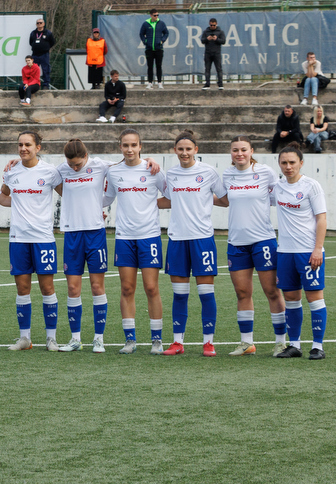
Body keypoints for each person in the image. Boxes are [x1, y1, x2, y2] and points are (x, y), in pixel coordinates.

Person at [215, 137, 287, 356]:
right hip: (236, 243)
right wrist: (196, 197)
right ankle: (247, 343)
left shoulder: (265, 172)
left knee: (272, 291)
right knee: (242, 292)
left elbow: (279, 197)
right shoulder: (227, 174)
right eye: (235, 150)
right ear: (231, 153)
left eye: (243, 150)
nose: (239, 154)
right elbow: (225, 200)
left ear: (251, 151)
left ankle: (281, 342)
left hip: (263, 240)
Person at [155, 133, 222, 356]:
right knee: (180, 294)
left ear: (196, 149)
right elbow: (168, 200)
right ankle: (177, 343)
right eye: (180, 149)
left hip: (202, 238)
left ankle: (208, 343)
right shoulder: (170, 174)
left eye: (188, 149)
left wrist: (202, 200)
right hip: (177, 239)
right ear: (175, 150)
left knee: (205, 293)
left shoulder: (208, 172)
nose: (184, 153)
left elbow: (224, 198)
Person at [0, 132, 63, 351]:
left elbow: (68, 196)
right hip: (18, 238)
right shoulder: (10, 172)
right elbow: (4, 198)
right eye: (20, 144)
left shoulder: (51, 172)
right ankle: (24, 338)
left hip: (43, 238)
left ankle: (51, 338)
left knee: (47, 288)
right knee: (22, 288)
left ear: (38, 147)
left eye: (28, 144)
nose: (23, 148)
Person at [105, 130, 167, 354]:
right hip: (124, 237)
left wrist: (150, 207)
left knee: (151, 288)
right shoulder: (113, 172)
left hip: (149, 235)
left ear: (141, 146)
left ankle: (157, 340)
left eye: (133, 145)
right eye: (125, 145)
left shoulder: (153, 170)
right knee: (127, 288)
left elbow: (170, 196)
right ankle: (130, 340)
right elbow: (107, 198)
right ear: (120, 147)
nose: (129, 149)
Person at [51, 138, 113, 353]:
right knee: (73, 288)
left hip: (95, 232)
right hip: (72, 233)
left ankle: (99, 338)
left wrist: (150, 160)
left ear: (86, 156)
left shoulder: (100, 165)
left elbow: (128, 164)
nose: (75, 168)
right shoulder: (62, 170)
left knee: (97, 287)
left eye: (78, 164)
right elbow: (39, 174)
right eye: (71, 165)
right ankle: (75, 339)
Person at [271, 145, 328, 359]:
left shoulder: (311, 186)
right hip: (285, 252)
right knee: (292, 299)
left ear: (301, 163)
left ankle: (317, 346)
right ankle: (294, 345)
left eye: (292, 162)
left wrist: (317, 249)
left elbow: (321, 218)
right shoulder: (277, 187)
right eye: (284, 163)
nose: (288, 166)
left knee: (315, 298)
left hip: (308, 252)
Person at [139, 8, 168, 86]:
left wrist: (162, 41)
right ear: (151, 15)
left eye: (157, 15)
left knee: (159, 66)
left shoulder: (161, 23)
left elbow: (166, 33)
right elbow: (141, 34)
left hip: (159, 49)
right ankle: (150, 82)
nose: (156, 17)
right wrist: (145, 41)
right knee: (150, 66)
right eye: (155, 15)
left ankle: (159, 82)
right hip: (149, 49)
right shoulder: (146, 24)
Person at [29, 18, 56, 89]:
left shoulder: (48, 33)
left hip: (44, 54)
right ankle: (34, 84)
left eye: (40, 23)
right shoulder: (33, 33)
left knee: (46, 70)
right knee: (34, 70)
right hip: (35, 54)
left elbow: (52, 42)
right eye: (37, 23)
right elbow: (31, 42)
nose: (39, 24)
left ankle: (45, 85)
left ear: (44, 24)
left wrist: (46, 48)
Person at [200, 18, 225, 88]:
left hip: (217, 53)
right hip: (208, 53)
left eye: (214, 25)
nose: (212, 26)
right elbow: (202, 40)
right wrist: (207, 39)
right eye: (211, 25)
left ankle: (220, 84)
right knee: (207, 69)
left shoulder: (220, 32)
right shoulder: (205, 32)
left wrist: (216, 39)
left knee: (219, 69)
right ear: (209, 24)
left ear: (216, 24)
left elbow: (223, 41)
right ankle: (207, 84)